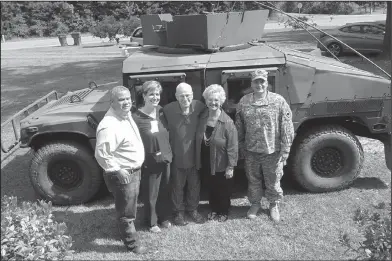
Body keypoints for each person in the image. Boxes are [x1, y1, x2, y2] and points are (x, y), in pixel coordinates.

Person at [235, 69, 295, 222]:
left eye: (262, 81)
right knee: (253, 179)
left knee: (273, 180)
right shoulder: (244, 102)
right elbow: (239, 126)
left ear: (267, 83)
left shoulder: (278, 101)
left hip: (272, 151)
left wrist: (286, 149)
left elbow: (286, 126)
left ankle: (273, 204)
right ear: (252, 83)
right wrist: (240, 146)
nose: (259, 84)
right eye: (256, 81)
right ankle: (255, 204)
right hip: (251, 151)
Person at [95, 86, 146, 254]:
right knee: (126, 212)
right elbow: (102, 154)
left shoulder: (125, 115)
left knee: (129, 206)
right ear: (112, 102)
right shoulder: (109, 126)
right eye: (121, 99)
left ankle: (125, 231)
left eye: (128, 98)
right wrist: (118, 170)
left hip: (133, 171)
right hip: (124, 174)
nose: (126, 102)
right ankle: (132, 245)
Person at [163, 82, 206, 226]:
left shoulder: (199, 106)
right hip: (176, 156)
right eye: (181, 96)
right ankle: (178, 212)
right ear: (176, 96)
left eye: (187, 95)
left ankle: (192, 209)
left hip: (194, 156)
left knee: (194, 185)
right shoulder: (168, 110)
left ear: (192, 95)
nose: (185, 98)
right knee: (177, 186)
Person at [132, 80, 173, 233]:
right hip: (150, 161)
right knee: (151, 193)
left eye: (157, 94)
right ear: (144, 96)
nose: (155, 97)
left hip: (166, 158)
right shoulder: (136, 117)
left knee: (165, 190)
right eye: (151, 94)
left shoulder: (161, 111)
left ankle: (164, 217)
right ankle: (151, 222)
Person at [196, 84, 238, 222]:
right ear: (206, 101)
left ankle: (223, 211)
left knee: (223, 189)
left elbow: (233, 146)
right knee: (211, 186)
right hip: (206, 160)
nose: (213, 103)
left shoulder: (227, 122)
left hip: (221, 162)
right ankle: (214, 209)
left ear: (221, 102)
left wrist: (230, 166)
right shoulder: (203, 118)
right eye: (210, 99)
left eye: (216, 100)